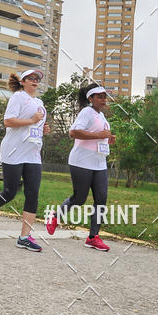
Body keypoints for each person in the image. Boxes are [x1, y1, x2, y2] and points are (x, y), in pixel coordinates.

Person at [0, 68, 50, 252]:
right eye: (31, 78)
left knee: (33, 193)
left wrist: (42, 129)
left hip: (33, 153)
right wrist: (33, 121)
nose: (35, 81)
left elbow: (34, 124)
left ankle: (24, 237)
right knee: (10, 191)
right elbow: (8, 121)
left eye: (37, 79)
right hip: (14, 151)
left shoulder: (40, 102)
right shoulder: (18, 97)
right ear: (24, 81)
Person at [46, 83, 116, 251]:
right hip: (81, 162)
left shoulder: (102, 117)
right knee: (79, 198)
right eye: (99, 96)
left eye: (104, 96)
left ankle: (93, 237)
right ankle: (55, 216)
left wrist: (108, 139)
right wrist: (100, 135)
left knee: (101, 199)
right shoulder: (87, 112)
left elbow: (98, 136)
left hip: (99, 163)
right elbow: (74, 132)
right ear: (90, 98)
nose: (103, 99)